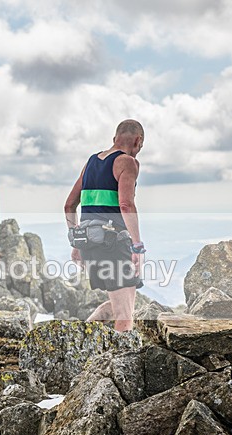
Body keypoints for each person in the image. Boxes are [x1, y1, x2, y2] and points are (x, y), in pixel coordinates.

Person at [64, 119, 145, 332]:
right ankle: (120, 362)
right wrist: (137, 246)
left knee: (121, 304)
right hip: (114, 244)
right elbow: (126, 205)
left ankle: (78, 341)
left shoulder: (91, 162)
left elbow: (69, 206)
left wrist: (77, 242)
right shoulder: (127, 162)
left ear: (114, 139)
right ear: (138, 141)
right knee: (125, 316)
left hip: (90, 246)